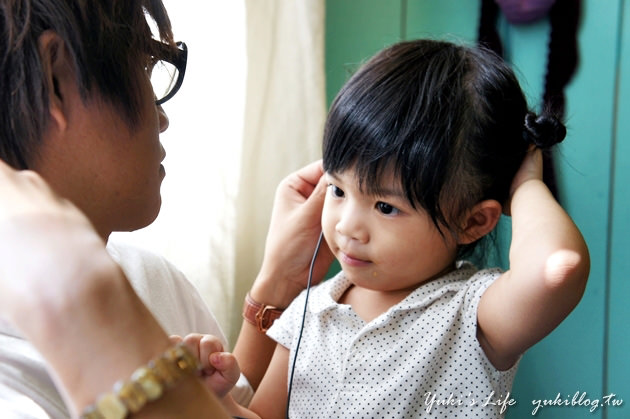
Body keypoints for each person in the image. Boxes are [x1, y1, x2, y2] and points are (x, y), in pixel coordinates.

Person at [186, 39, 591, 418]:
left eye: (385, 206)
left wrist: (525, 185)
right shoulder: (310, 313)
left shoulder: (472, 316)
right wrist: (215, 400)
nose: (347, 226)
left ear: (472, 221)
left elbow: (557, 270)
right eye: (338, 189)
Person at [0, 0, 332, 417]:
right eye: (144, 68)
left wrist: (278, 283)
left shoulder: (151, 276)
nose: (162, 119)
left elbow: (233, 408)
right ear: (56, 79)